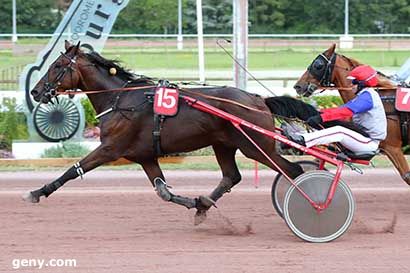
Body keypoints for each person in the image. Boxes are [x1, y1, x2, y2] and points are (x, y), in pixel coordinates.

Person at [285, 65, 387, 153]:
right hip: (362, 138)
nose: (351, 85)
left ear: (362, 83)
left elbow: (345, 112)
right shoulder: (363, 96)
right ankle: (298, 136)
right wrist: (319, 113)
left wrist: (322, 118)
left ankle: (302, 140)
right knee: (333, 128)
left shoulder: (368, 97)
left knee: (339, 131)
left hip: (369, 142)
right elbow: (341, 108)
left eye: (354, 82)